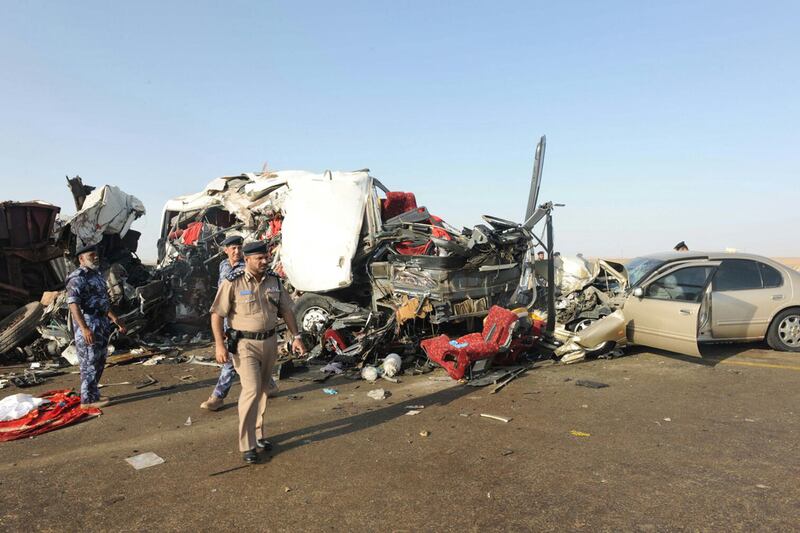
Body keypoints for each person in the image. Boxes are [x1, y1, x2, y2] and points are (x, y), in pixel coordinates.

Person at [209, 240, 306, 463]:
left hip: (270, 342)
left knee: (263, 390)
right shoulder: (232, 282)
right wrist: (219, 345)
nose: (265, 261)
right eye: (259, 258)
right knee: (251, 390)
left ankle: (258, 434)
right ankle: (247, 444)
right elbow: (216, 314)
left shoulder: (274, 281)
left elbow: (287, 311)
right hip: (244, 345)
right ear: (247, 259)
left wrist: (296, 337)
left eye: (266, 257)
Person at [66, 244, 126, 408]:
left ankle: (93, 393)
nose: (96, 257)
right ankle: (88, 400)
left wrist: (115, 319)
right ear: (81, 259)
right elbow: (74, 306)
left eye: (96, 255)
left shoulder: (97, 276)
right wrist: (84, 328)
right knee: (89, 362)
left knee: (99, 360)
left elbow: (102, 303)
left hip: (101, 322)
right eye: (92, 255)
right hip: (88, 322)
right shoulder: (77, 278)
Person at [200, 235, 245, 411]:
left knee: (232, 359)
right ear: (225, 250)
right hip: (226, 319)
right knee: (248, 356)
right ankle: (270, 385)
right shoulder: (223, 265)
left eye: (239, 248)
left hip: (241, 319)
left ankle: (218, 396)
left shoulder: (247, 266)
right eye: (233, 248)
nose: (237, 251)